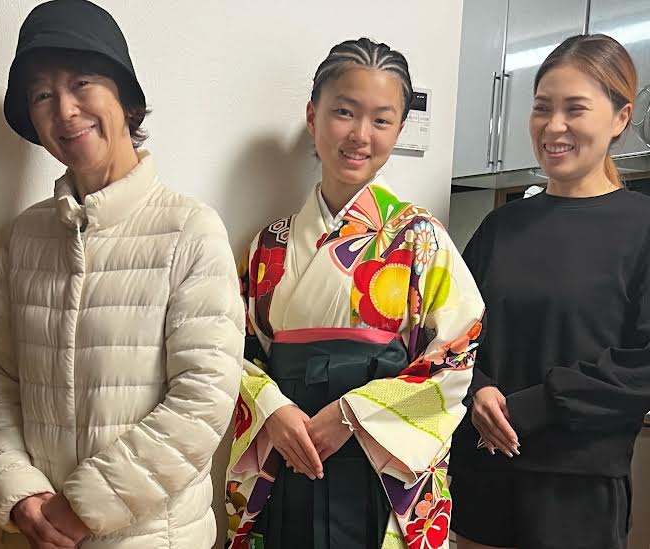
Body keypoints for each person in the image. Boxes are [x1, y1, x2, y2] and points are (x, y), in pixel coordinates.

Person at [0, 1, 244, 548]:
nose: (64, 109)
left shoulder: (190, 230)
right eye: (42, 95)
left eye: (82, 83)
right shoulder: (24, 237)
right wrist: (22, 494)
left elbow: (204, 397)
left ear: (126, 99)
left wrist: (84, 508)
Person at [224, 37, 484, 549]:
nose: (360, 135)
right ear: (312, 116)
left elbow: (458, 349)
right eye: (344, 112)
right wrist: (272, 409)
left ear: (399, 130)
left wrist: (353, 415)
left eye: (381, 120)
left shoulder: (419, 237)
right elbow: (234, 347)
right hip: (289, 447)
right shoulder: (269, 244)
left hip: (379, 461)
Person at [449, 34, 650, 549]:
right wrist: (478, 390)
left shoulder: (641, 227)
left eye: (574, 109)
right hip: (483, 474)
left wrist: (530, 407)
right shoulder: (501, 227)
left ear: (621, 118)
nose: (553, 125)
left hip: (577, 487)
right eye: (542, 108)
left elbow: (642, 365)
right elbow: (451, 331)